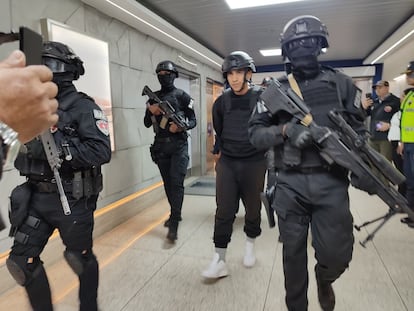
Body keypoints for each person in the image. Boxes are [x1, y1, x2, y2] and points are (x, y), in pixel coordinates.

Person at [248, 16, 366, 311]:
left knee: (337, 255)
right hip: (290, 183)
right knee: (293, 256)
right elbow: (255, 135)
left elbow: (360, 132)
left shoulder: (342, 84)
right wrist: (285, 131)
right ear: (287, 51)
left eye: (309, 42)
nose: (303, 48)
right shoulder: (274, 92)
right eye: (295, 44)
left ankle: (325, 278)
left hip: (332, 183)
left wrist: (363, 165)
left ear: (321, 46)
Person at [6, 41, 111, 311]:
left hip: (71, 199)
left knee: (80, 258)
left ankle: (90, 306)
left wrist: (59, 145)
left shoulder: (83, 107)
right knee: (20, 263)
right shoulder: (28, 108)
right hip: (35, 196)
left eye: (47, 63)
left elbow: (100, 151)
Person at [201, 51, 266, 279]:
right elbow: (219, 128)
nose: (235, 78)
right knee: (224, 210)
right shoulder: (222, 101)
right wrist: (220, 152)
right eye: (230, 73)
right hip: (229, 162)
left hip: (255, 162)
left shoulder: (261, 98)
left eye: (239, 72)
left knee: (253, 208)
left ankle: (250, 244)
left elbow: (269, 129)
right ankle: (219, 259)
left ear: (248, 73)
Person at [144, 60, 196, 242]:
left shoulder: (183, 96)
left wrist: (182, 128)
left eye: (168, 74)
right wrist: (152, 112)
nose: (164, 77)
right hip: (161, 147)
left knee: (176, 182)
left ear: (175, 76)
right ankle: (176, 212)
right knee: (167, 184)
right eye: (161, 74)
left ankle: (174, 221)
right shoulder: (153, 98)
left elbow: (193, 120)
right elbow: (146, 123)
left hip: (178, 146)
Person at [362, 80, 400, 162]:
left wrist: (390, 125)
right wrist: (364, 107)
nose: (377, 90)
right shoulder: (374, 102)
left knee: (385, 163)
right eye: (376, 88)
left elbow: (401, 118)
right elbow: (363, 115)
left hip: (386, 139)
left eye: (380, 87)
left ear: (387, 88)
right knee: (373, 162)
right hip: (373, 137)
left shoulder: (395, 101)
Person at [388, 88, 414, 196]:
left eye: (403, 96)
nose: (401, 98)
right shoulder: (400, 111)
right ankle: (408, 202)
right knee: (406, 173)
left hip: (408, 144)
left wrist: (400, 143)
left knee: (407, 172)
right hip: (403, 143)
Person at [399, 61, 414, 227]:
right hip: (408, 144)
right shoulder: (409, 95)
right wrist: (402, 141)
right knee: (410, 179)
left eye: (411, 74)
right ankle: (411, 213)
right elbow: (404, 121)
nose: (408, 77)